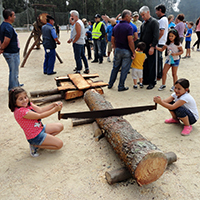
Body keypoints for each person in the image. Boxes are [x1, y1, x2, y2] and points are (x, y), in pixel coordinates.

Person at [9, 87, 64, 157]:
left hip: (40, 128)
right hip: (35, 136)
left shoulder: (28, 104)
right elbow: (39, 115)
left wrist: (53, 105)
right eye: (21, 99)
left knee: (60, 126)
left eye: (25, 97)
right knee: (59, 145)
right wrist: (54, 110)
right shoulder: (20, 112)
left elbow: (40, 110)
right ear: (14, 102)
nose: (24, 100)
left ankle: (43, 142)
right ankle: (35, 145)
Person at [108, 9, 135, 92]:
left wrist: (115, 47)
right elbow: (130, 41)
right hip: (126, 50)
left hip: (118, 49)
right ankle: (121, 86)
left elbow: (112, 39)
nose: (131, 17)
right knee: (124, 69)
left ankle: (110, 84)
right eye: (130, 16)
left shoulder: (115, 26)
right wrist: (133, 52)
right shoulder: (129, 27)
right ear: (126, 16)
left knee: (115, 68)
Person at [0, 9, 23, 91]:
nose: (15, 17)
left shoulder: (3, 25)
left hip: (12, 52)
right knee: (13, 71)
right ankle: (13, 88)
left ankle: (16, 84)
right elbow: (6, 40)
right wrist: (2, 48)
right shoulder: (8, 27)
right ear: (9, 17)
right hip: (11, 53)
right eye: (13, 16)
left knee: (15, 70)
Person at [139, 6, 159, 90]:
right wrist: (140, 48)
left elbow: (156, 36)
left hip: (151, 47)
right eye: (141, 15)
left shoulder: (154, 22)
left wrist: (153, 47)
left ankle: (152, 82)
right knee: (145, 64)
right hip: (144, 47)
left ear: (148, 12)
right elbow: (142, 36)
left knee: (152, 64)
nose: (142, 17)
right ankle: (145, 80)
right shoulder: (143, 24)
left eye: (143, 15)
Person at [155, 4, 168, 80]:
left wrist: (156, 40)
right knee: (159, 59)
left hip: (160, 42)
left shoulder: (162, 20)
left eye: (157, 11)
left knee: (158, 59)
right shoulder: (164, 19)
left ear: (160, 10)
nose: (156, 12)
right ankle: (159, 74)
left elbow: (161, 32)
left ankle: (159, 75)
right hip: (162, 41)